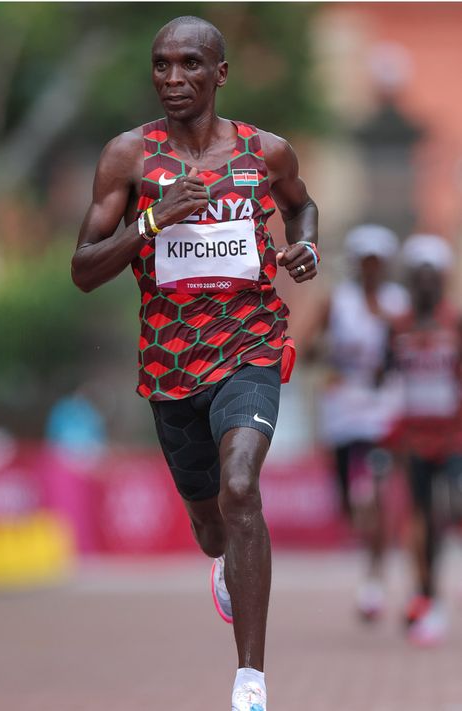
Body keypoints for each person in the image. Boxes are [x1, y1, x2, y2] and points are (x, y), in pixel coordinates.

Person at [71, 16, 318, 711]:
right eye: (161, 65)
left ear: (220, 74)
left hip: (252, 346)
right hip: (171, 367)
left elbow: (303, 210)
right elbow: (83, 269)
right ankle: (223, 559)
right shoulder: (128, 158)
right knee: (212, 519)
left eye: (188, 65)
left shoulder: (264, 152)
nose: (172, 79)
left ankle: (250, 680)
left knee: (242, 484)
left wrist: (307, 248)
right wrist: (151, 222)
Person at [311, 225, 409, 620]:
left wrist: (391, 326)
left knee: (377, 494)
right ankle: (362, 532)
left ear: (385, 266)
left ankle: (373, 581)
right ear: (356, 264)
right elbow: (309, 348)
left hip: (383, 408)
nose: (371, 270)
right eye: (364, 262)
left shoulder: (398, 303)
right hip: (343, 411)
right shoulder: (336, 302)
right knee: (351, 505)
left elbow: (413, 348)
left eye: (377, 263)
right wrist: (330, 355)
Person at [385, 234, 462, 646]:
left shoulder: (456, 322)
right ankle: (428, 594)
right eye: (420, 278)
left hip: (452, 436)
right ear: (412, 281)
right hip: (413, 438)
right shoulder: (398, 326)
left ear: (443, 280)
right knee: (425, 516)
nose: (427, 285)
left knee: (451, 503)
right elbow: (384, 374)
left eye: (434, 278)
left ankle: (430, 591)